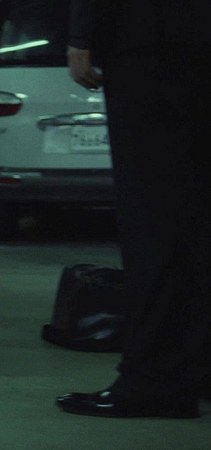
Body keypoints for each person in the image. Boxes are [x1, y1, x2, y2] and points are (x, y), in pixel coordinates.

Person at [56, 0, 211, 417]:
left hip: (149, 42)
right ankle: (198, 367)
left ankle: (156, 380)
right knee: (199, 220)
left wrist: (82, 35)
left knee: (153, 217)